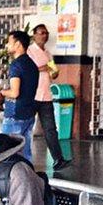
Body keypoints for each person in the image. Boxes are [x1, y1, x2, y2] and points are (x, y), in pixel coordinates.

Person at [0, 31, 39, 161]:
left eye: (9, 42)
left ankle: (10, 179)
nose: (6, 45)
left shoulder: (16, 65)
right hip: (29, 113)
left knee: (8, 152)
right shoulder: (32, 64)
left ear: (18, 44)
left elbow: (14, 93)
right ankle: (27, 176)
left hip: (15, 114)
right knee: (26, 152)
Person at [28, 25, 71, 171]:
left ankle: (58, 159)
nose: (44, 36)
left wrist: (54, 73)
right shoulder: (29, 51)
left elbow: (51, 73)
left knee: (51, 129)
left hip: (46, 95)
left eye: (46, 33)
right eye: (41, 33)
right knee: (27, 127)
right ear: (34, 35)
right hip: (33, 95)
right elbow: (29, 70)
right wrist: (44, 68)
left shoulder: (47, 53)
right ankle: (24, 158)